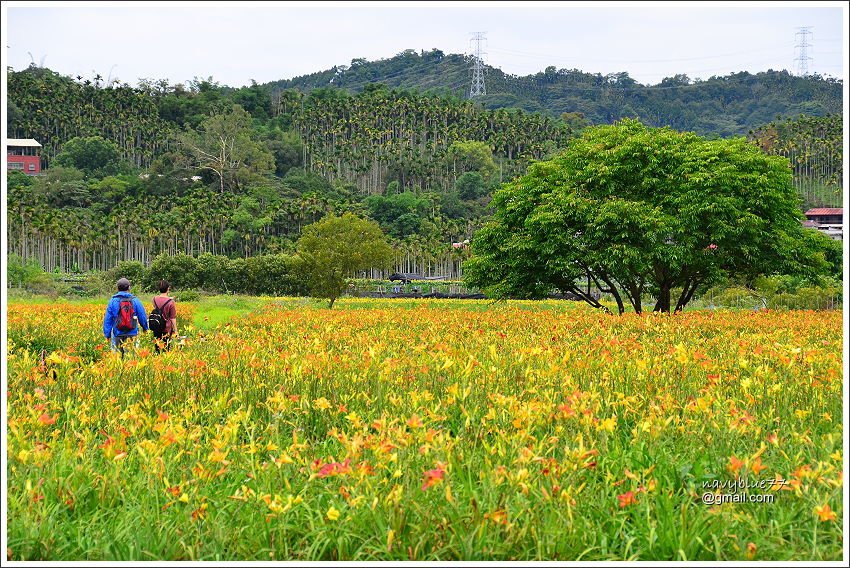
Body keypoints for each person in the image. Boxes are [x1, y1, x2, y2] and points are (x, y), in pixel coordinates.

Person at [102, 277, 148, 357]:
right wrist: (145, 328)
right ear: (129, 287)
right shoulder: (135, 300)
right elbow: (142, 316)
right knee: (131, 357)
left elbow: (108, 319)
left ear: (117, 288)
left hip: (117, 332)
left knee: (117, 357)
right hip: (132, 332)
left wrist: (107, 334)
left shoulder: (113, 301)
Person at [151, 279, 178, 353]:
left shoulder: (154, 299)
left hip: (156, 326)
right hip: (166, 328)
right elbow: (172, 318)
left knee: (157, 350)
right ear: (168, 289)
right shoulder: (171, 302)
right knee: (166, 350)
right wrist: (176, 330)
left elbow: (158, 306)